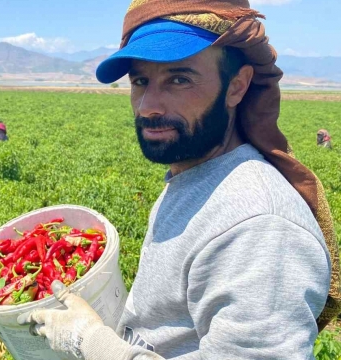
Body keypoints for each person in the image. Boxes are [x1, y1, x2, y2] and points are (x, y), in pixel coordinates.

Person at [17, 2, 341, 359]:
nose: (148, 106)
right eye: (141, 81)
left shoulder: (260, 227)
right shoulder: (194, 176)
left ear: (237, 87)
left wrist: (90, 342)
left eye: (179, 79)